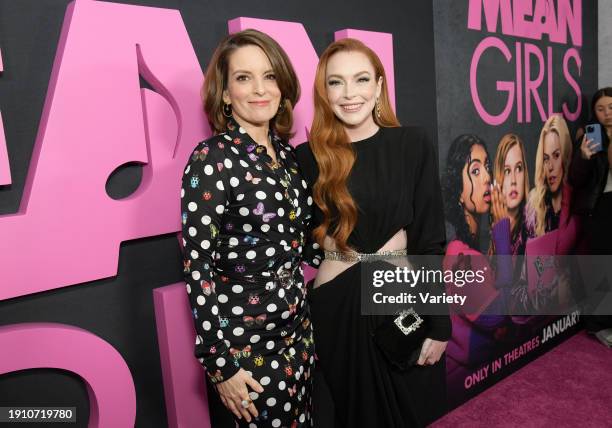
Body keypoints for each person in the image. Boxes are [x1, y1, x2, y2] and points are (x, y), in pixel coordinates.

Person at [296, 38, 451, 427]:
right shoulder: (305, 157)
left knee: (411, 411)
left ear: (379, 86)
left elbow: (429, 239)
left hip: (399, 298)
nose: (350, 94)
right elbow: (294, 239)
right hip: (338, 308)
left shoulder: (412, 145)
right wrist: (344, 252)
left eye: (361, 79)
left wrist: (440, 320)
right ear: (323, 91)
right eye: (336, 82)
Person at [181, 29, 321, 427]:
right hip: (247, 352)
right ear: (225, 94)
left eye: (270, 76)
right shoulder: (212, 159)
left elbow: (303, 249)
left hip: (299, 336)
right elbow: (198, 264)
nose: (260, 89)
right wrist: (219, 364)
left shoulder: (289, 157)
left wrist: (370, 254)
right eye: (243, 78)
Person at [441, 134, 514, 400]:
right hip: (461, 392)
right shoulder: (458, 254)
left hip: (480, 384)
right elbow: (497, 315)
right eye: (474, 170)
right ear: (457, 191)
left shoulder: (470, 250)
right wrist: (503, 236)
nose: (486, 177)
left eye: (486, 166)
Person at [570, 87, 612, 344]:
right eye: (601, 108)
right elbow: (575, 179)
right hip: (601, 207)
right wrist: (584, 157)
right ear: (593, 112)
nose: (607, 113)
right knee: (602, 267)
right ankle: (599, 324)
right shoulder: (588, 137)